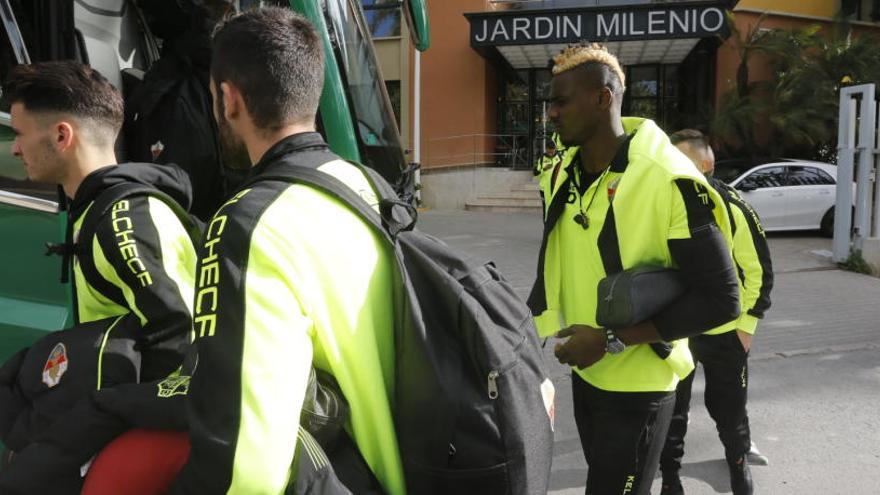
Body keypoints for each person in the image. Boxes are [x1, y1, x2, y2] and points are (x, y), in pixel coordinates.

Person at [168, 8, 403, 493]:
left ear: (228, 99)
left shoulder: (247, 225)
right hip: (399, 468)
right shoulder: (366, 185)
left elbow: (248, 463)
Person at [527, 42, 740, 495]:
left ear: (603, 98)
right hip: (586, 371)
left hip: (639, 384)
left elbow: (722, 298)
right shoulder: (565, 172)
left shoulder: (667, 178)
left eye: (561, 101)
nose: (551, 114)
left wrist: (609, 340)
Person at [0, 60, 197, 492]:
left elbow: (184, 341)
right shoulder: (96, 208)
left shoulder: (124, 217)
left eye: (19, 133)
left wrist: (103, 419)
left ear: (61, 135)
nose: (14, 149)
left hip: (149, 435)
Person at [659, 129, 774, 495]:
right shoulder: (665, 204)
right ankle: (671, 478)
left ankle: (738, 465)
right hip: (680, 330)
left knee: (728, 407)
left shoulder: (734, 206)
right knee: (672, 411)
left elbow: (760, 272)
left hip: (727, 330)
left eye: (683, 160)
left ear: (706, 164)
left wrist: (747, 326)